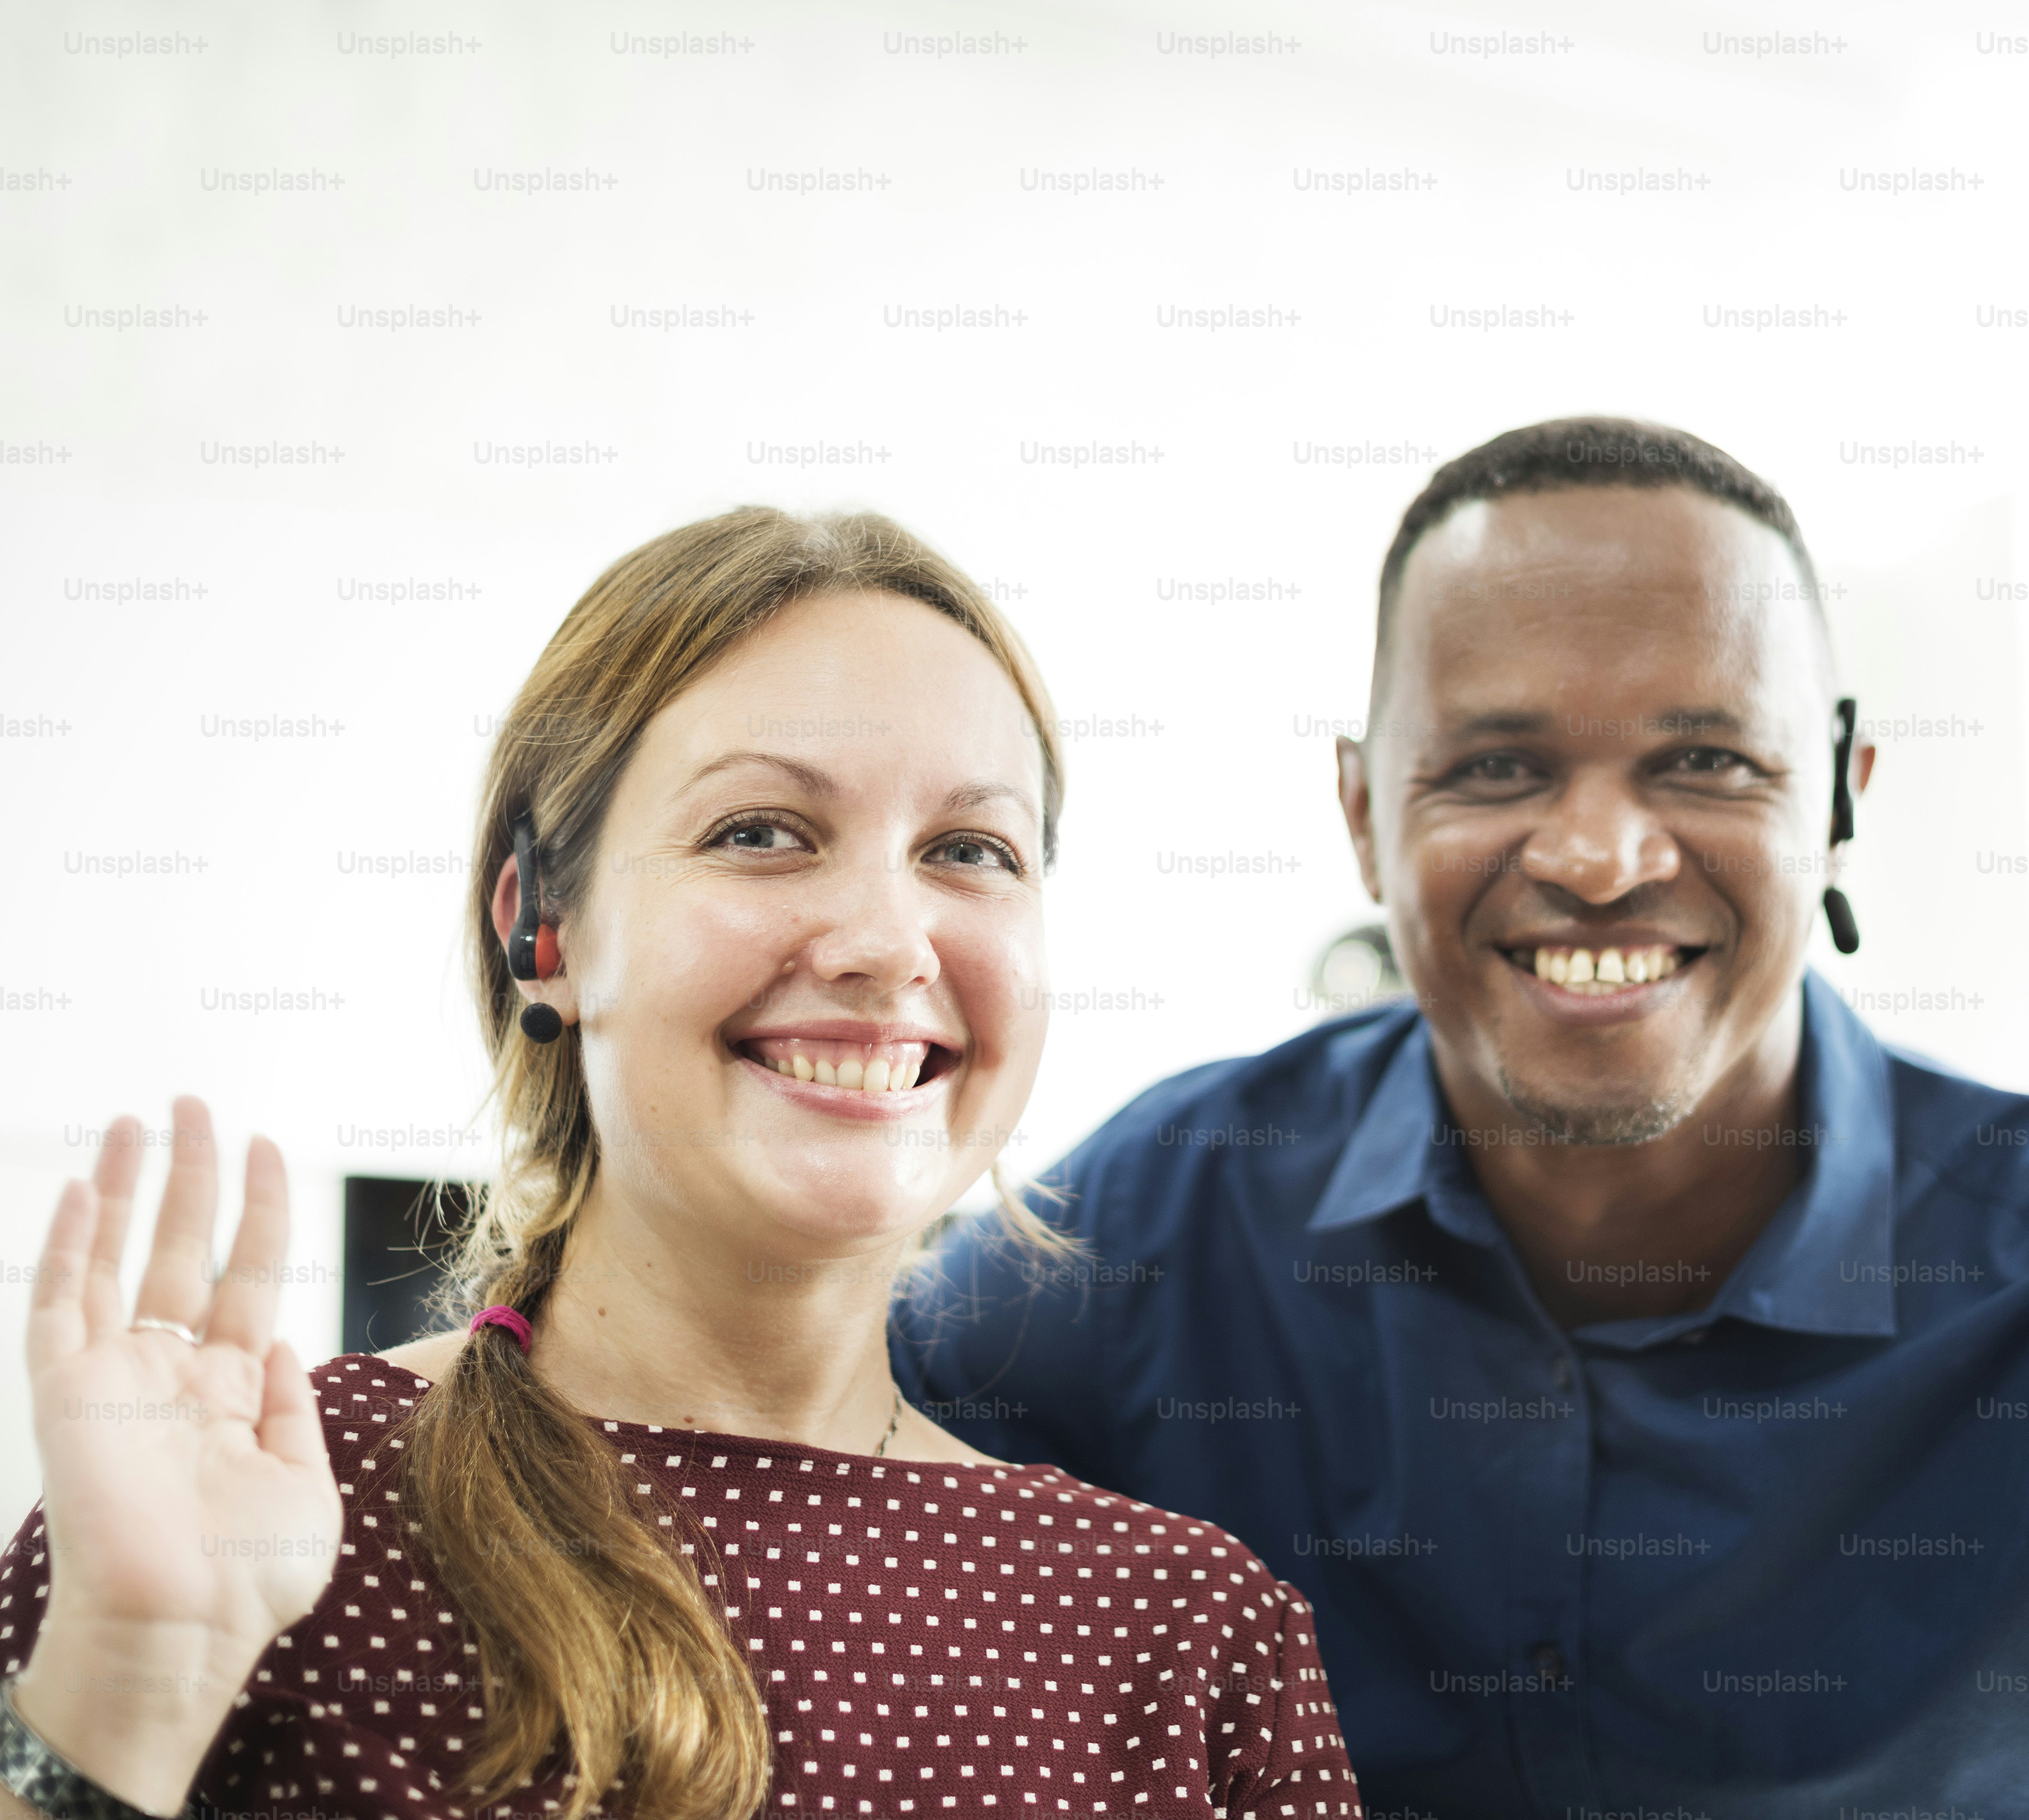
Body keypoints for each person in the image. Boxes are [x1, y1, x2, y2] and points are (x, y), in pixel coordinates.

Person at [0, 510, 1361, 1820]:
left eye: (968, 850)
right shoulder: (236, 1503)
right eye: (759, 832)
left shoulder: (1185, 1628)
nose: (888, 942)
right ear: (544, 928)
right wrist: (126, 1678)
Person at [895, 419, 2029, 1816]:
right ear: (1363, 813)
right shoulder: (1167, 1213)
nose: (1600, 860)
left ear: (1841, 801)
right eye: (1497, 768)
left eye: (1708, 760)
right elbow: (771, 1442)